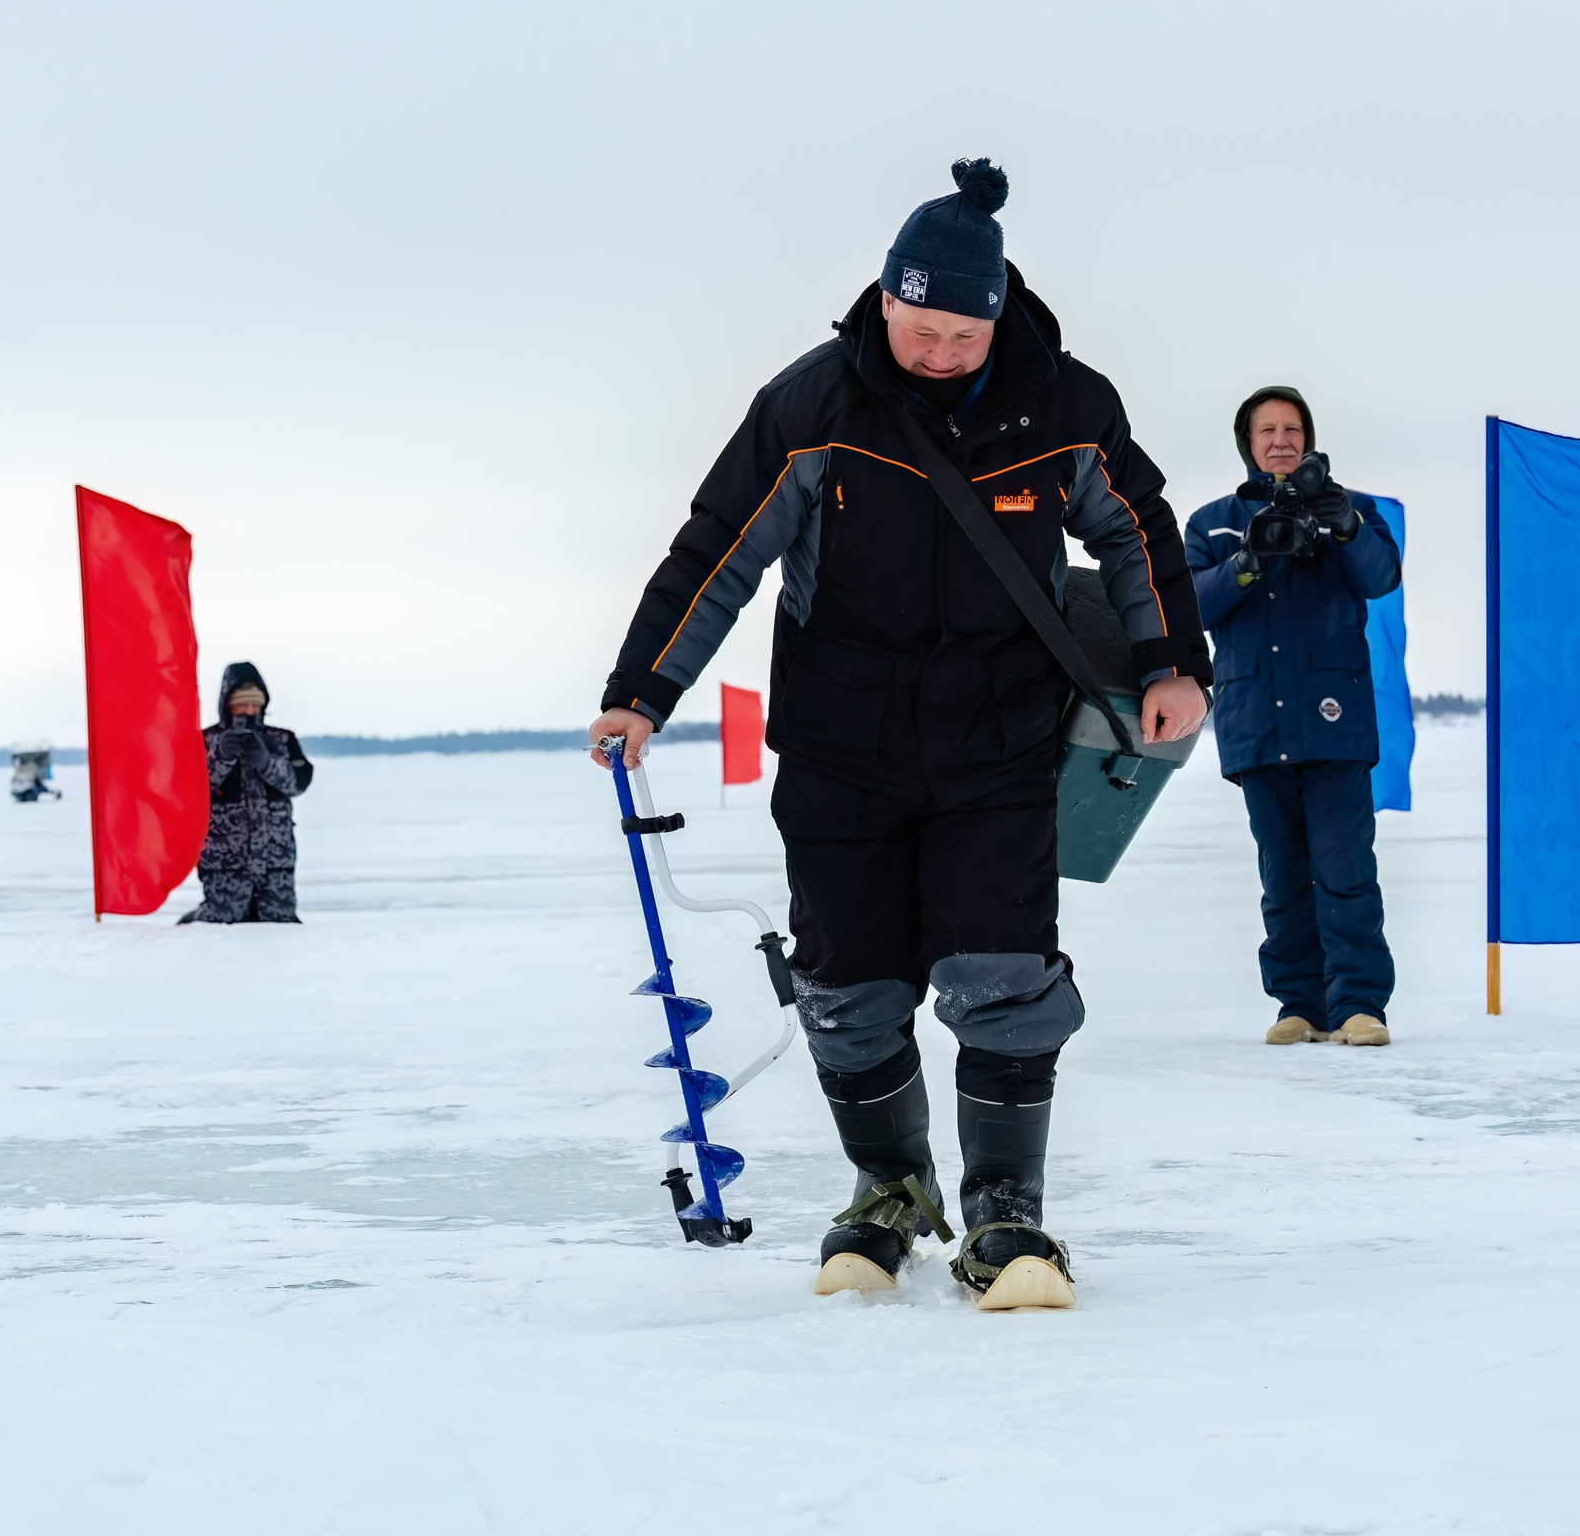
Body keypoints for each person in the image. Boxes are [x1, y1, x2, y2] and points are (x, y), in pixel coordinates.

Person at [585, 159, 1211, 1307]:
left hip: (998, 743)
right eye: (915, 328)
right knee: (847, 983)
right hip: (840, 744)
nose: (933, 352)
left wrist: (1171, 662)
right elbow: (718, 546)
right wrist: (644, 690)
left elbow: (1137, 531)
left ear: (995, 312)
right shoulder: (813, 404)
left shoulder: (1064, 404)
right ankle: (889, 1191)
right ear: (882, 302)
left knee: (1005, 973)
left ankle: (1005, 1214)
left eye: (957, 336)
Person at [1181, 388, 1402, 1047]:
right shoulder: (1212, 524)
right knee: (1283, 873)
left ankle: (1359, 1004)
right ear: (1246, 442)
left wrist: (1347, 527)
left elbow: (1381, 577)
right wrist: (1247, 562)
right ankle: (1299, 1004)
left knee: (1343, 867)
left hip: (1335, 720)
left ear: (1308, 438)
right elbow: (1190, 604)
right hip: (1258, 722)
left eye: (1292, 428)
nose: (1281, 440)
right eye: (1267, 430)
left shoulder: (1351, 508)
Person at [184, 662, 313, 924]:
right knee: (220, 928)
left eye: (255, 705)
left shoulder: (283, 740)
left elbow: (296, 784)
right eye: (243, 705)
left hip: (275, 860)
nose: (250, 711)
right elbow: (192, 790)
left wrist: (265, 761)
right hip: (224, 862)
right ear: (227, 704)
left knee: (281, 928)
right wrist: (220, 757)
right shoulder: (205, 740)